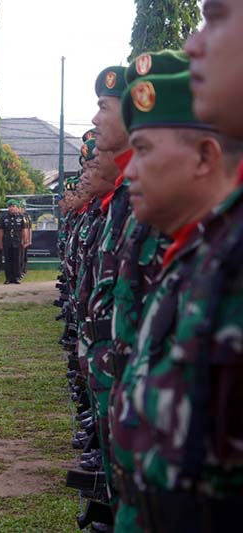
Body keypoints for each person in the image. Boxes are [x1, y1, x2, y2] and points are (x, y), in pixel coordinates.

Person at [111, 60, 243, 530]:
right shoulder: (198, 256)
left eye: (143, 151)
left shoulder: (229, 263)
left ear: (206, 157)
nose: (129, 173)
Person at [0, 200, 24, 284]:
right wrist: (0, 241)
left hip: (17, 241)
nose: (12, 208)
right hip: (7, 241)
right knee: (8, 260)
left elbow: (23, 230)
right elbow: (1, 230)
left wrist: (23, 240)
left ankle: (16, 277)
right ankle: (8, 278)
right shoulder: (4, 217)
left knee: (16, 260)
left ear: (17, 208)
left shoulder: (20, 217)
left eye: (14, 206)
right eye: (10, 207)